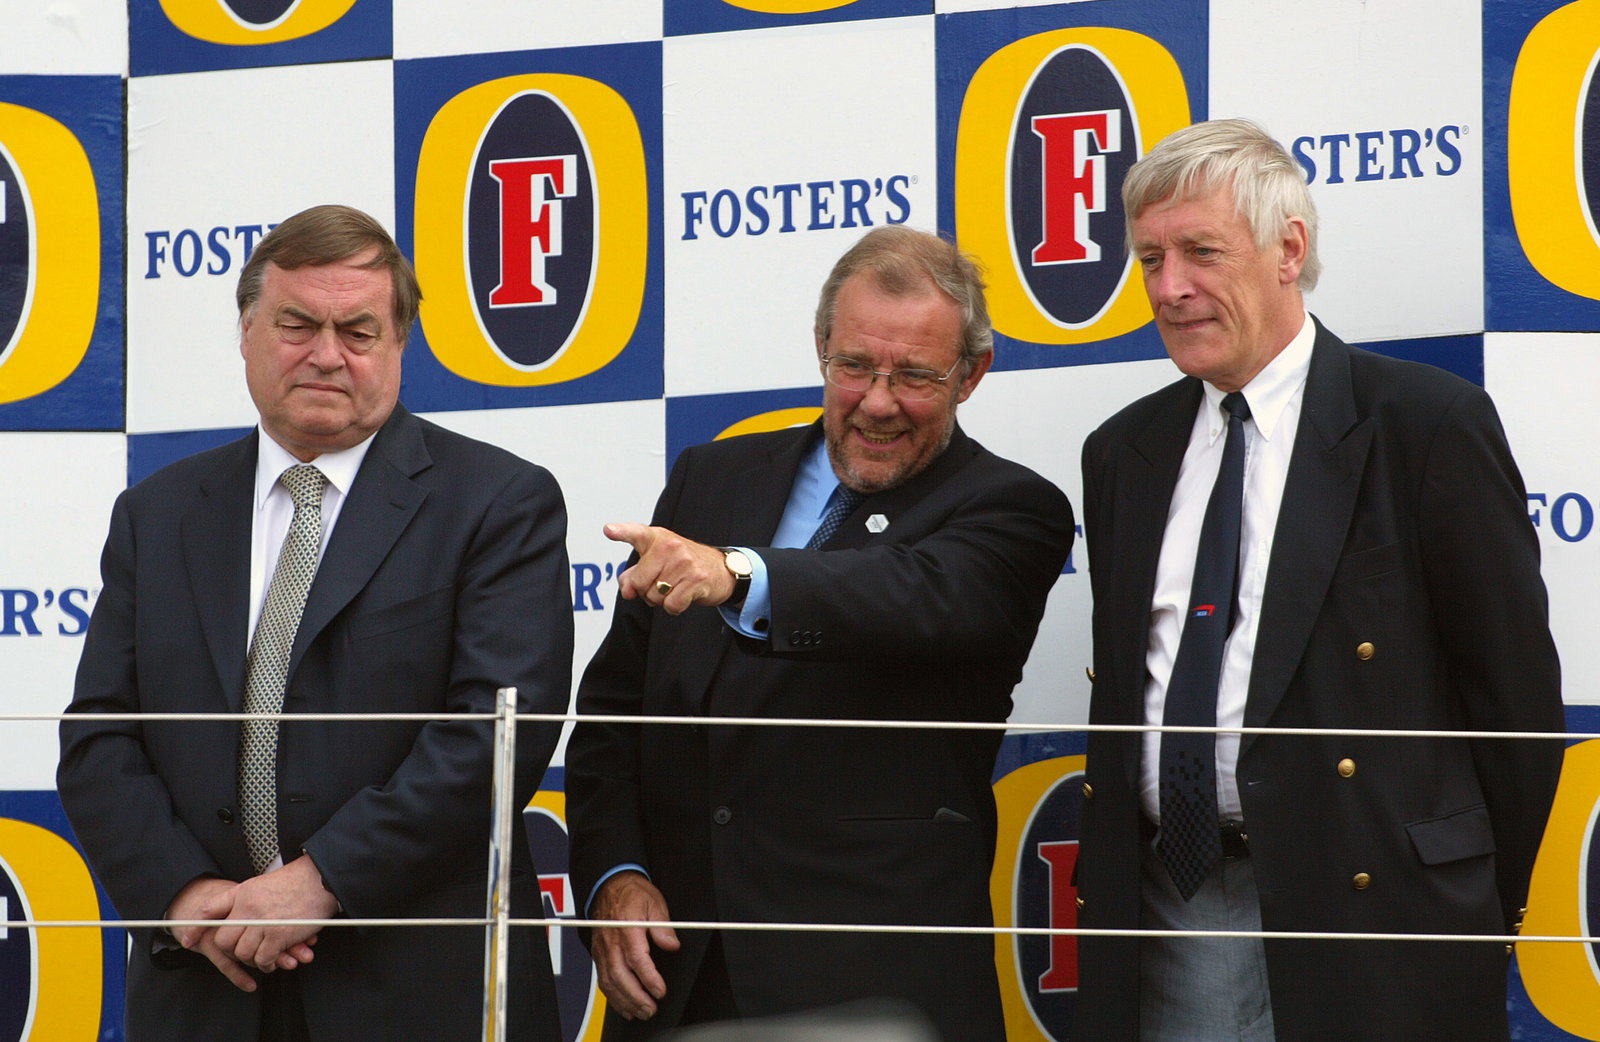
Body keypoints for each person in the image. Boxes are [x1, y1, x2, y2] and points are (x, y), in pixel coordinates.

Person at [1074, 118, 1566, 1041]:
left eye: (1201, 251)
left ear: (1289, 250)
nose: (1170, 288)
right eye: (1150, 259)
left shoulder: (1425, 424)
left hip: (1379, 918)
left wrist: (1465, 904)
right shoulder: (1122, 451)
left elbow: (1515, 698)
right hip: (1170, 915)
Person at [57, 204, 571, 1042]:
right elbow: (100, 733)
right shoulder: (157, 514)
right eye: (297, 324)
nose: (326, 354)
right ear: (247, 333)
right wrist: (186, 895)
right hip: (206, 986)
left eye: (358, 332)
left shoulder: (497, 503)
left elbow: (496, 734)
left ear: (400, 345)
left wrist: (322, 878)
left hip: (411, 992)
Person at [565, 225, 1075, 1040]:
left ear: (972, 375)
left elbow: (905, 594)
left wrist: (740, 575)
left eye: (914, 376)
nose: (877, 401)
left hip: (873, 991)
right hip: (674, 979)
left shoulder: (1014, 509)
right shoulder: (709, 477)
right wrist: (613, 877)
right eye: (854, 366)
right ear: (820, 349)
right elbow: (614, 716)